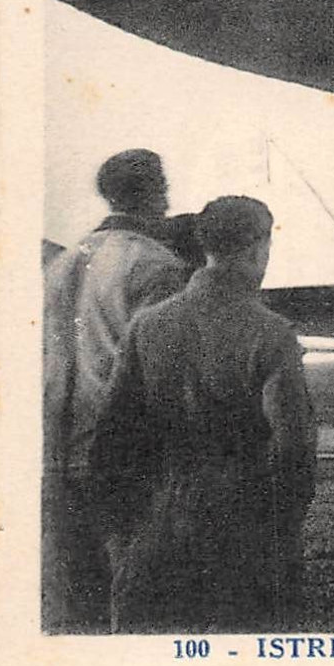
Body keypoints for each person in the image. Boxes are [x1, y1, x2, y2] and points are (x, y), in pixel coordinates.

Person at [91, 196, 317, 632]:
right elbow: (295, 454)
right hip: (247, 545)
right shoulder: (270, 334)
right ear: (258, 248)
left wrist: (125, 541)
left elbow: (111, 443)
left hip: (158, 538)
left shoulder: (147, 327)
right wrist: (280, 537)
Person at [42, 148, 189, 632]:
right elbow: (162, 370)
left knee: (75, 604)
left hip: (58, 447)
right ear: (158, 193)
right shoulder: (155, 265)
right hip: (126, 450)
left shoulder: (61, 264)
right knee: (141, 600)